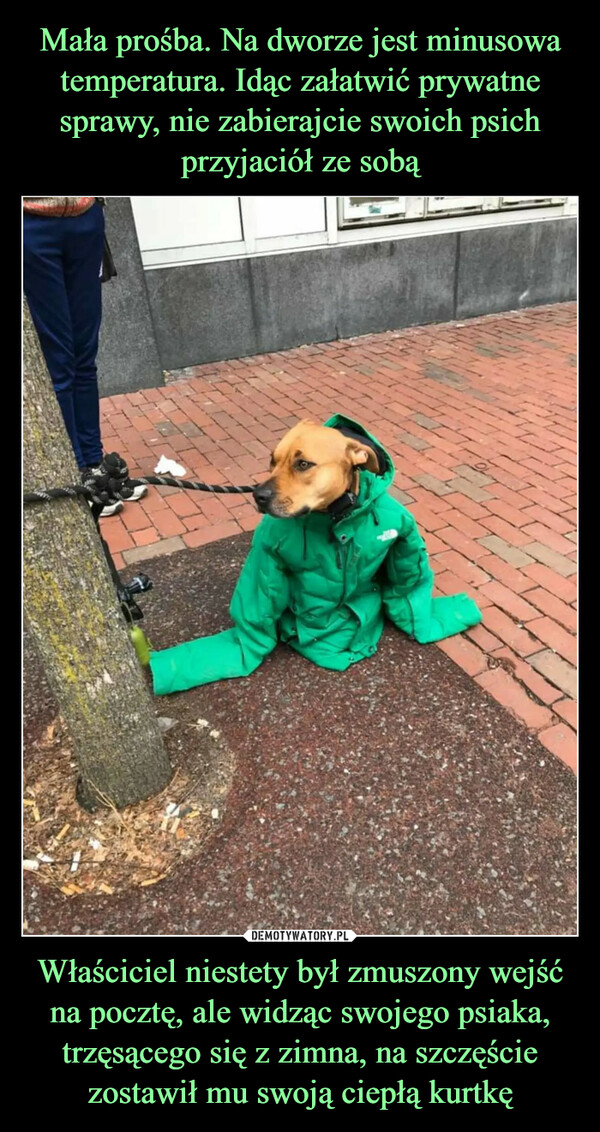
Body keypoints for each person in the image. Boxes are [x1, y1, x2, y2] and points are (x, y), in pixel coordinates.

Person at [23, 196, 146, 516]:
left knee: (85, 354)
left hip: (85, 221)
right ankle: (76, 472)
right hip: (32, 225)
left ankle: (94, 463)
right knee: (59, 359)